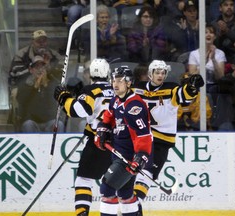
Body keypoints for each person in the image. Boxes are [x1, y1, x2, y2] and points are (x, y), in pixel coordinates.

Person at [132, 60, 204, 214]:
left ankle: (134, 204)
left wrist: (192, 87)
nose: (160, 75)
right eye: (157, 72)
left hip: (162, 141)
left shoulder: (171, 89)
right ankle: (134, 206)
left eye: (163, 73)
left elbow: (184, 96)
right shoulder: (137, 88)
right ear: (150, 73)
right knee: (143, 172)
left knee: (148, 173)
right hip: (142, 138)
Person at [53, 58, 114, 216]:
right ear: (107, 73)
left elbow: (78, 111)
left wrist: (64, 98)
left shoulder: (90, 90)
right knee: (117, 183)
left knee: (84, 180)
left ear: (91, 73)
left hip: (99, 142)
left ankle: (82, 213)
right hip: (120, 143)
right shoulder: (118, 88)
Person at [94, 66, 153, 216]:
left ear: (128, 83)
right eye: (114, 80)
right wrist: (102, 129)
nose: (115, 84)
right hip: (118, 153)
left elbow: (144, 136)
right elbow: (109, 116)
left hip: (129, 157)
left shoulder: (134, 106)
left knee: (107, 189)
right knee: (125, 194)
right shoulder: (116, 100)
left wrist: (140, 158)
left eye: (120, 81)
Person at [16, 55, 64, 132]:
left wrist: (46, 84)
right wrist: (35, 86)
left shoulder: (52, 84)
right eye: (36, 67)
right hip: (32, 122)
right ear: (31, 70)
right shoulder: (24, 85)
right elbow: (21, 101)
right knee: (28, 125)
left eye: (42, 67)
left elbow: (57, 101)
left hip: (49, 121)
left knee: (59, 124)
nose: (40, 70)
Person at [188, 24, 226, 93]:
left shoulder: (220, 53)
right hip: (198, 87)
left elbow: (220, 78)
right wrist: (204, 62)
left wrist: (213, 59)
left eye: (211, 32)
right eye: (205, 32)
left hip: (215, 87)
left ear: (215, 37)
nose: (208, 35)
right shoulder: (193, 54)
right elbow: (192, 79)